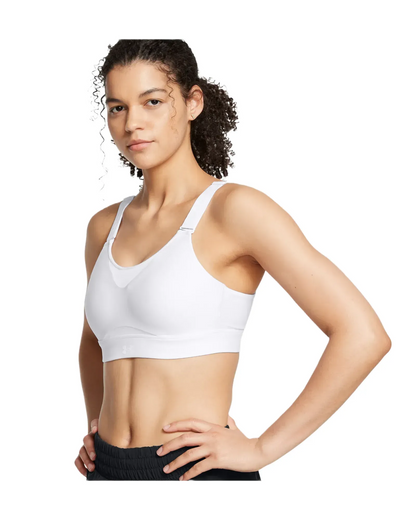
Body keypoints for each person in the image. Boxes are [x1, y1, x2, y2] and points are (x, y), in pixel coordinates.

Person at [75, 40, 391, 481]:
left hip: (195, 472)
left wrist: (261, 449)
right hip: (108, 470)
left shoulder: (234, 211)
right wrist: (97, 427)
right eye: (117, 107)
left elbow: (363, 335)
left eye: (152, 102)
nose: (132, 123)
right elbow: (95, 342)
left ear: (193, 102)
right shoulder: (104, 227)